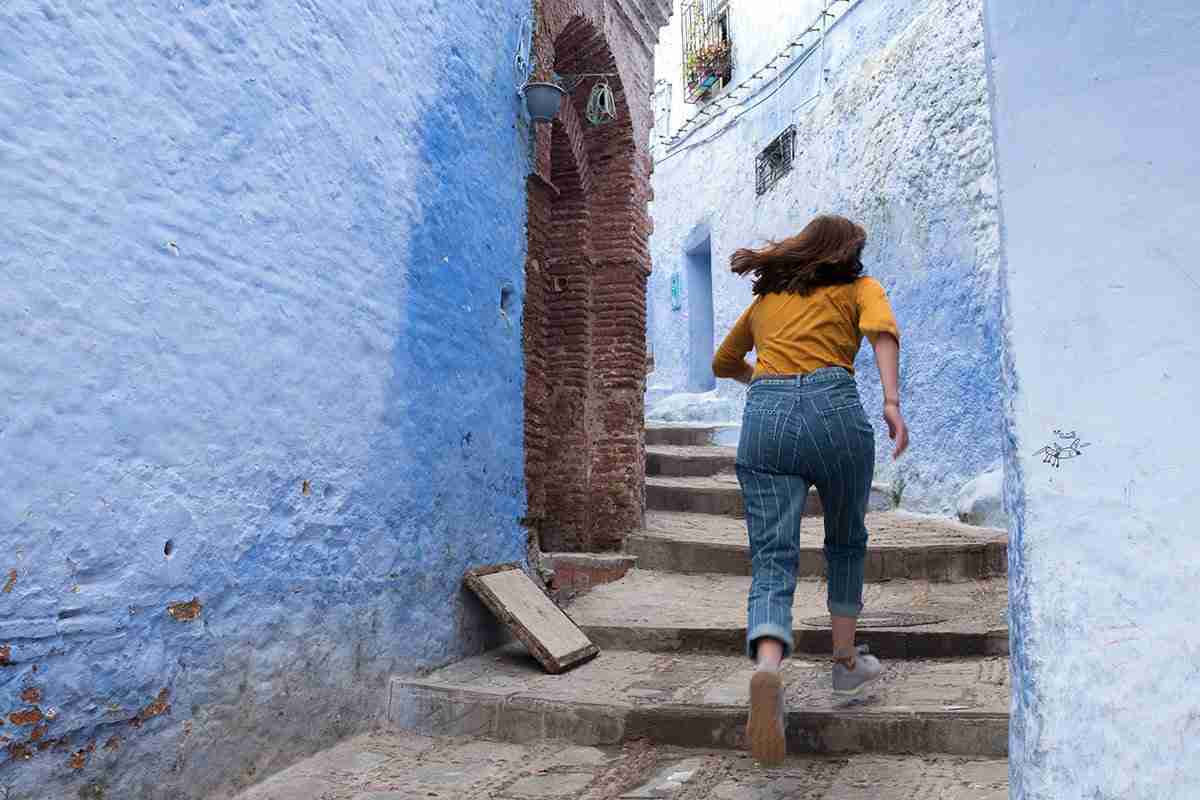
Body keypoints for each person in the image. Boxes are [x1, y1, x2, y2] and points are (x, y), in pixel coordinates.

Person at [711, 214, 909, 766]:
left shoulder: (766, 302)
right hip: (835, 412)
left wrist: (766, 381)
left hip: (765, 420)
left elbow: (723, 362)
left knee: (772, 555)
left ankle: (767, 667)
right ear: (846, 251)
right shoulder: (861, 289)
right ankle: (845, 664)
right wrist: (892, 404)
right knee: (845, 540)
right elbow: (882, 334)